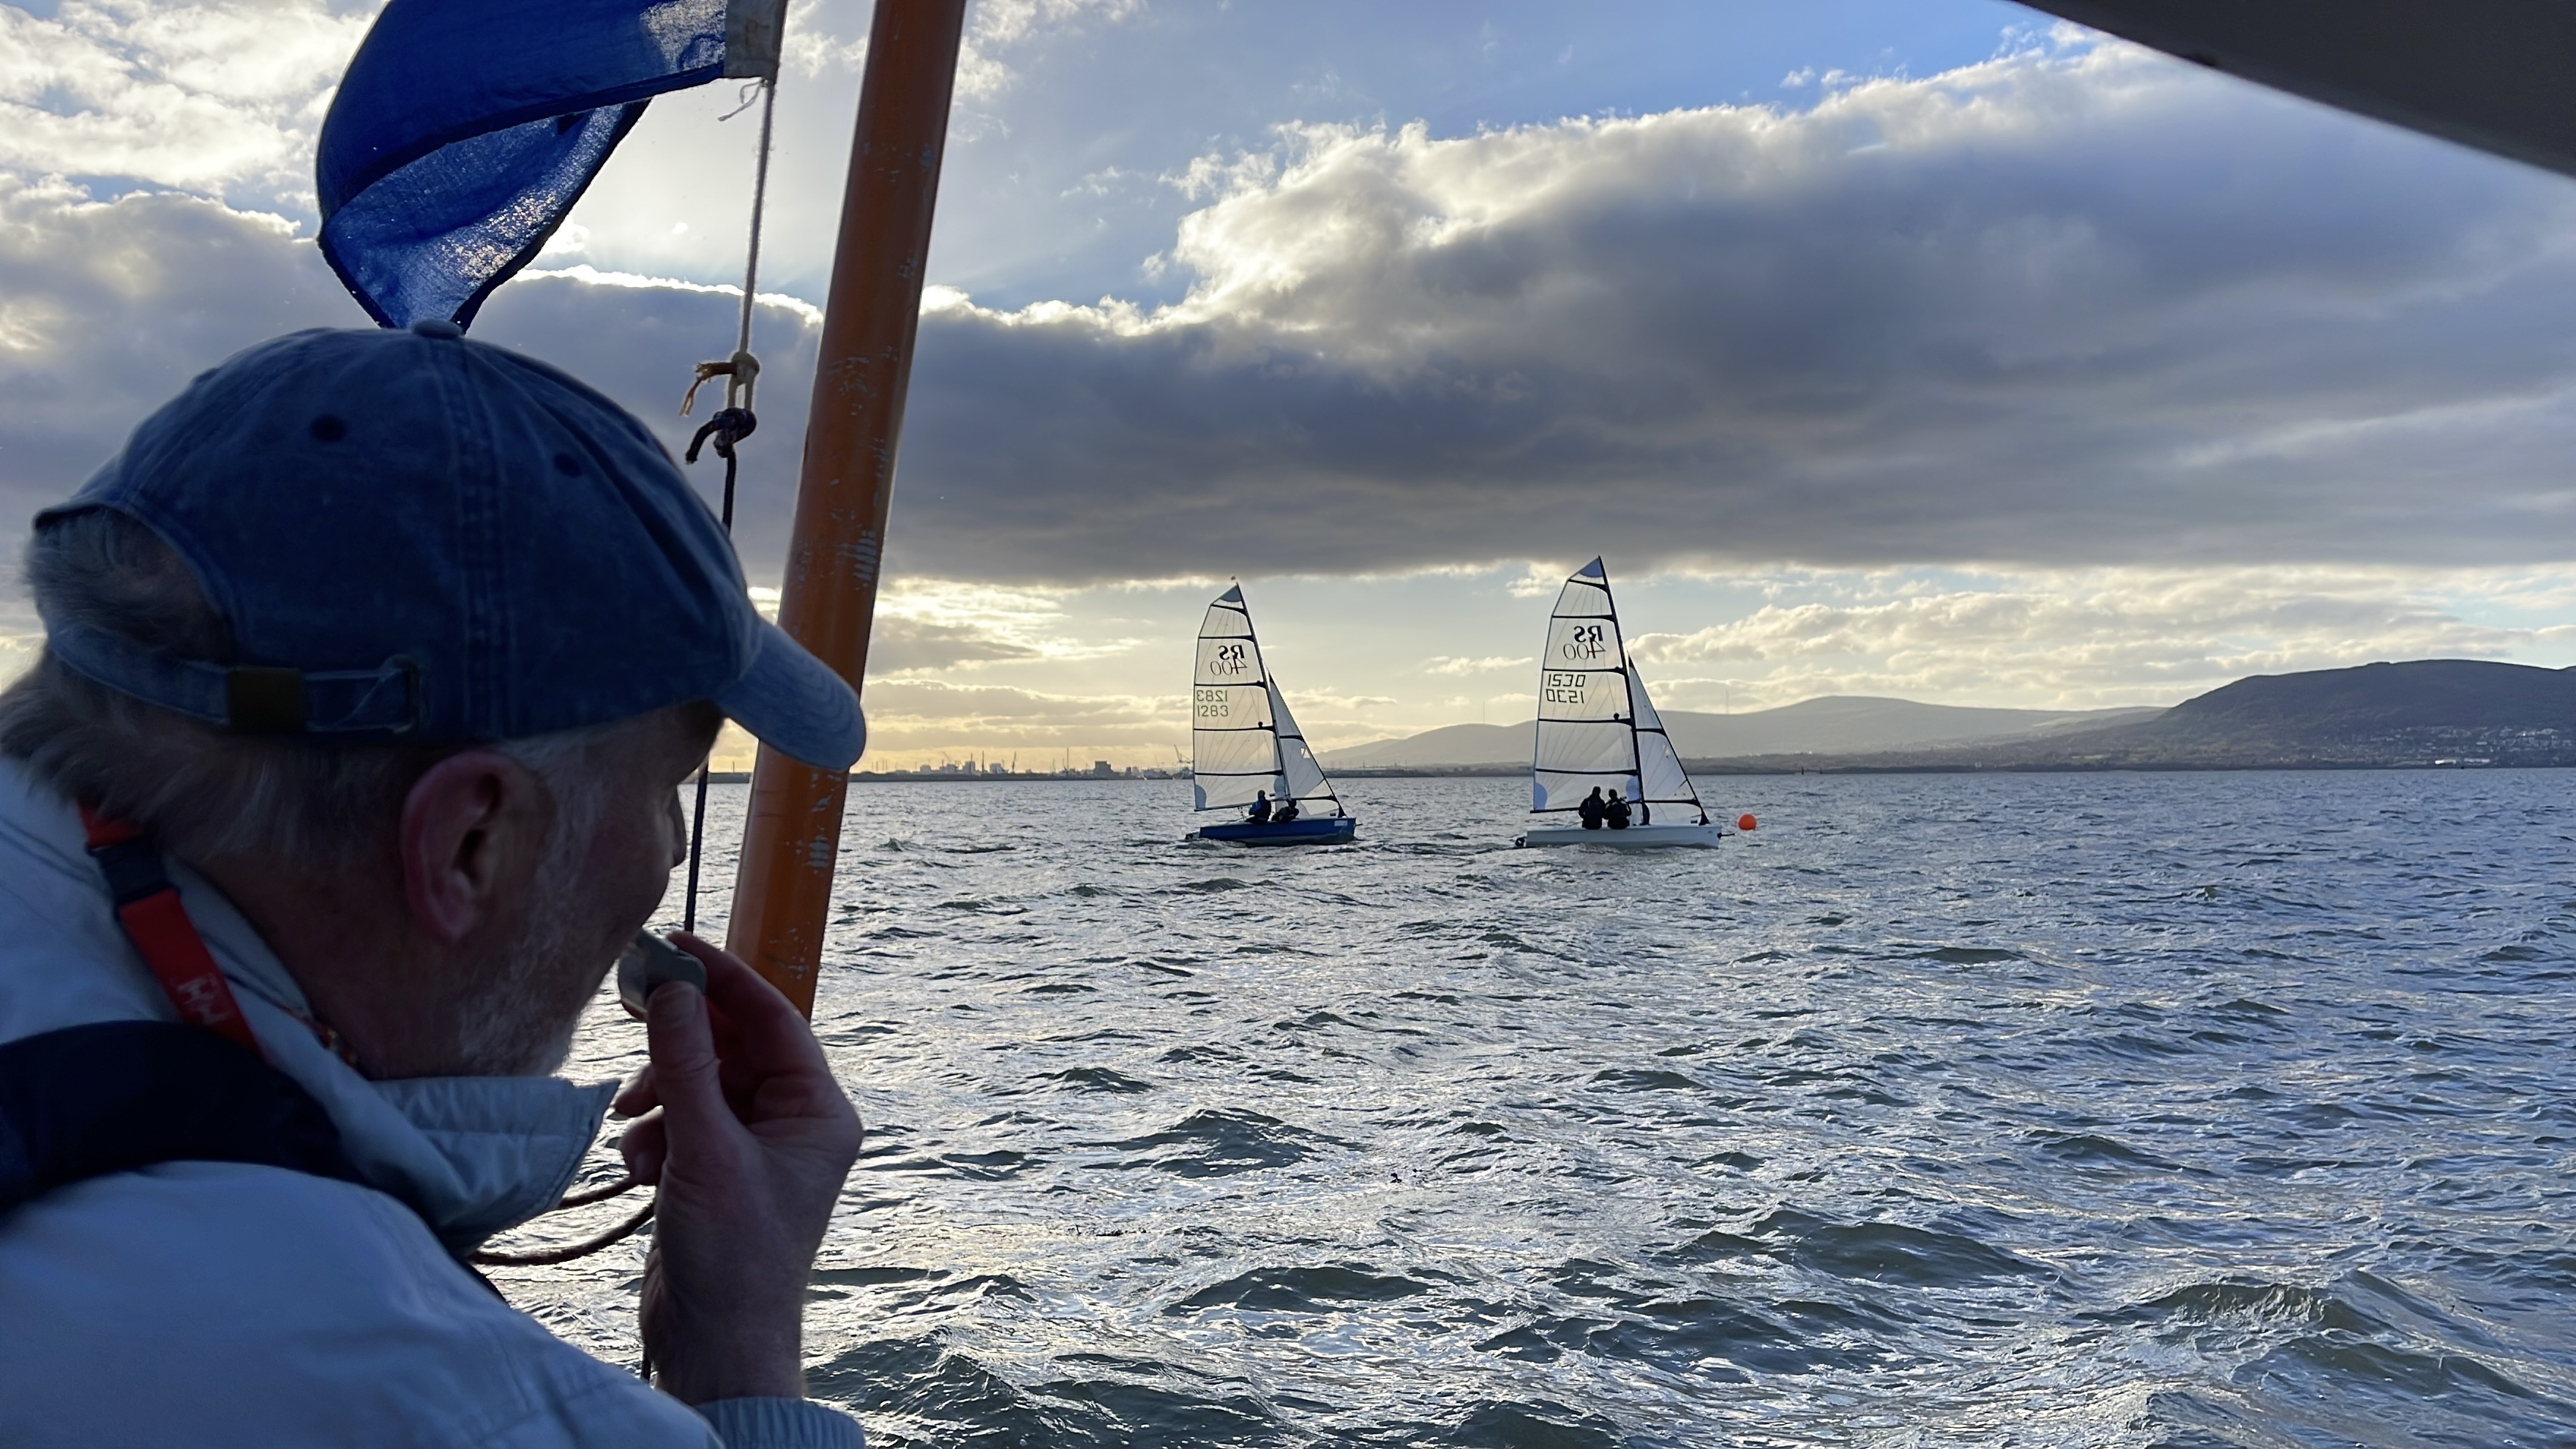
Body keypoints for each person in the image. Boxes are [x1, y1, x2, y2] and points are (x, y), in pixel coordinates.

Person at [0, 324, 872, 1447]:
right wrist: (740, 1356)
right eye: (668, 789)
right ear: (469, 844)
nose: (672, 851)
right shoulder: (435, 1404)